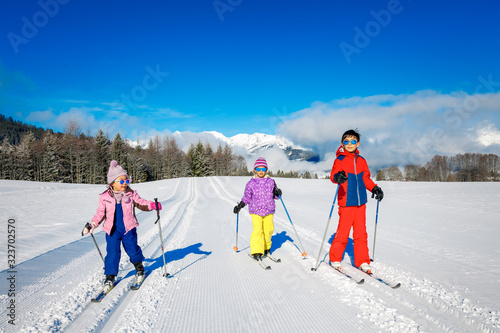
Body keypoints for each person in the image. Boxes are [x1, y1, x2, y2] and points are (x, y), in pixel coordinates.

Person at [82, 160, 162, 289]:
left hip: (128, 228)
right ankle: (110, 277)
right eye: (122, 181)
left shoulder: (131, 194)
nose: (125, 184)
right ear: (112, 182)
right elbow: (100, 213)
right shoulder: (105, 197)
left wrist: (152, 205)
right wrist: (92, 225)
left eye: (127, 180)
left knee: (132, 249)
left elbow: (140, 202)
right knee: (112, 253)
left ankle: (139, 268)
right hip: (112, 230)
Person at [329, 129, 383, 274]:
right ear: (342, 144)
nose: (350, 144)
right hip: (346, 202)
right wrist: (337, 177)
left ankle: (363, 261)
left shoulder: (362, 161)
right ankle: (335, 258)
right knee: (343, 232)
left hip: (361, 204)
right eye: (346, 141)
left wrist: (374, 188)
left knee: (360, 233)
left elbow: (366, 179)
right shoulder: (339, 160)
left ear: (358, 143)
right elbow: (333, 175)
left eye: (353, 141)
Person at [233, 157, 282, 261]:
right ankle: (256, 251)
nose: (261, 171)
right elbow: (247, 197)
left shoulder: (271, 182)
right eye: (258, 169)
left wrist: (278, 193)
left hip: (269, 210)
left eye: (263, 169)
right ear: (254, 170)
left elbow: (275, 196)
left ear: (266, 170)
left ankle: (266, 248)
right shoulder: (251, 183)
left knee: (268, 230)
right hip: (256, 211)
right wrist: (241, 205)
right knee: (258, 231)